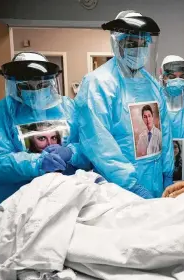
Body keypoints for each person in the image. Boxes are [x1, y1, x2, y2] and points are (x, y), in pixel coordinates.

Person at [75, 10, 174, 198]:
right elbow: (98, 143)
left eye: (143, 43)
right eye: (131, 43)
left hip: (156, 182)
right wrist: (131, 184)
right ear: (116, 43)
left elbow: (165, 133)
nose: (138, 49)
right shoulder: (99, 84)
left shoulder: (152, 84)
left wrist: (168, 173)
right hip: (118, 188)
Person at [0, 52, 91, 205]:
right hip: (18, 202)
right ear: (14, 85)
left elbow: (91, 147)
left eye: (42, 85)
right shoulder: (1, 113)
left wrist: (71, 153)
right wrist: (37, 163)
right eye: (26, 86)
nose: (35, 91)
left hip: (67, 195)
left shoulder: (69, 107)